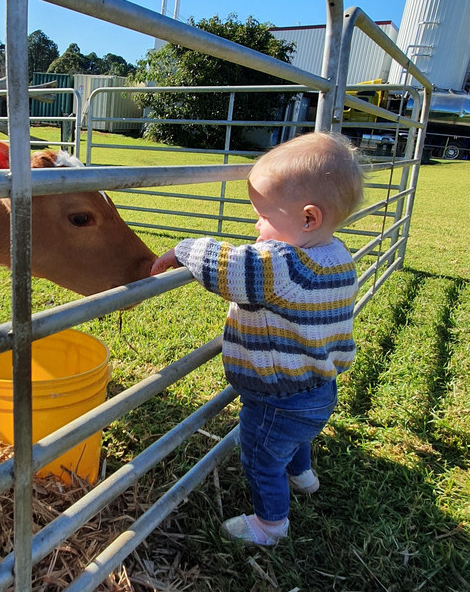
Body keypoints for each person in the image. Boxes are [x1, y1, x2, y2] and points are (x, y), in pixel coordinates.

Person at [150, 131, 364, 546]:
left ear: (308, 219)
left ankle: (270, 525)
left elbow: (232, 267)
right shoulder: (337, 255)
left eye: (263, 214)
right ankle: (303, 476)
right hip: (319, 388)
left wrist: (186, 248)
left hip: (277, 397)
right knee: (296, 440)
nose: (256, 224)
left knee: (262, 457)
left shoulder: (286, 265)